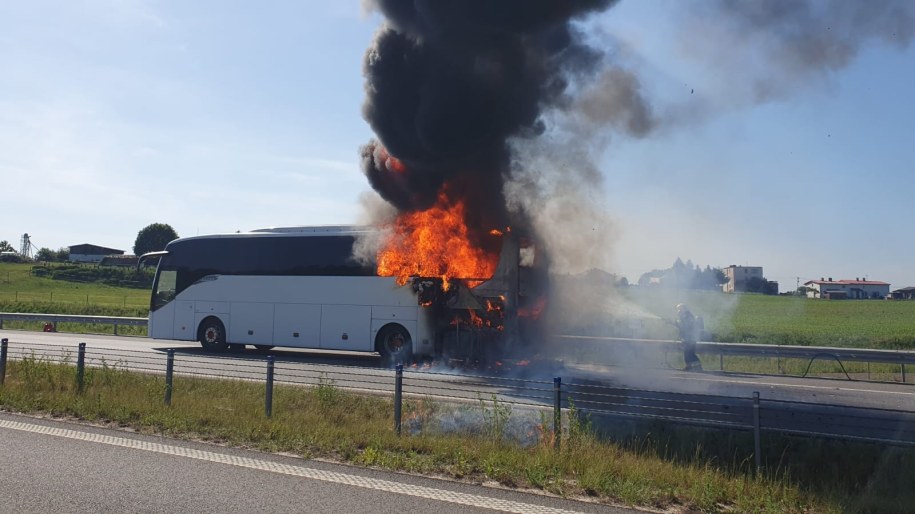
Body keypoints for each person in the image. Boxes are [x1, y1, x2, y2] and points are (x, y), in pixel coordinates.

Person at [675, 303, 703, 371]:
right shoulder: (685, 316)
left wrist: (675, 323)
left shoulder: (687, 317)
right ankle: (689, 366)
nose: (678, 311)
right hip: (687, 338)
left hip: (690, 339)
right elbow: (682, 327)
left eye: (679, 309)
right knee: (687, 353)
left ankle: (698, 367)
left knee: (690, 353)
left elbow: (685, 327)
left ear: (683, 309)